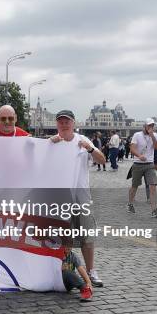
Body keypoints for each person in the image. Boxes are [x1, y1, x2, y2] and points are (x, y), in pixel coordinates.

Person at [49, 110, 106, 288]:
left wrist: (89, 148)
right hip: (59, 198)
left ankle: (91, 270)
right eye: (61, 122)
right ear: (57, 124)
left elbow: (102, 159)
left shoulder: (82, 141)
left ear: (73, 123)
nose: (64, 125)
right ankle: (67, 269)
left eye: (67, 122)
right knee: (65, 238)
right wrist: (48, 145)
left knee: (87, 237)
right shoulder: (50, 142)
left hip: (82, 197)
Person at [127, 118, 157, 218]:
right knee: (135, 186)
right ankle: (130, 203)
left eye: (152, 126)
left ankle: (154, 211)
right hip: (138, 164)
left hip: (149, 164)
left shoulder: (154, 135)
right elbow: (132, 148)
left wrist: (152, 136)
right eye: (149, 126)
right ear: (145, 126)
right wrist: (139, 156)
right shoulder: (137, 135)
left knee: (153, 186)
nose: (151, 127)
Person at [61, 238, 93, 302]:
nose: (68, 247)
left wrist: (88, 282)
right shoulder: (57, 255)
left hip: (68, 284)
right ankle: (84, 288)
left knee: (70, 273)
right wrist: (60, 268)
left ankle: (86, 290)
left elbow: (81, 269)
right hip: (57, 281)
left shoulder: (73, 256)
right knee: (67, 272)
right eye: (66, 245)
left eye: (70, 245)